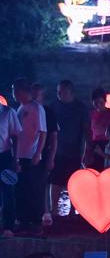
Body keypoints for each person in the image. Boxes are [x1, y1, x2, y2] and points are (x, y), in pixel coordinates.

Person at [49, 80, 89, 219]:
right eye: (58, 91)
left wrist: (88, 149)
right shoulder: (54, 106)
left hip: (75, 151)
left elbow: (86, 130)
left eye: (63, 91)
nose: (59, 94)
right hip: (57, 150)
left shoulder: (80, 107)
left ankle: (73, 210)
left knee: (74, 182)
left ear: (71, 92)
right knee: (55, 181)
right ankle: (54, 210)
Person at [13, 78, 46, 234]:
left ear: (20, 91)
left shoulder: (36, 108)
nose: (13, 93)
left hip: (31, 154)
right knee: (21, 189)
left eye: (14, 90)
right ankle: (23, 220)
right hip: (20, 154)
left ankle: (36, 222)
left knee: (33, 189)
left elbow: (43, 132)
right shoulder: (20, 108)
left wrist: (38, 153)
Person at [32, 83, 58, 226]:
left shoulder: (48, 112)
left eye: (37, 94)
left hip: (44, 151)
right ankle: (32, 212)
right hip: (28, 152)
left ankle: (46, 211)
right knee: (30, 182)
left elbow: (53, 136)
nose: (34, 97)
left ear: (42, 96)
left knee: (44, 182)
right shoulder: (25, 109)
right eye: (33, 94)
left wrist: (51, 157)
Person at [0, 99, 22, 237]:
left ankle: (9, 225)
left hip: (4, 156)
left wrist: (16, 159)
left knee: (7, 191)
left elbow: (16, 137)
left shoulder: (8, 112)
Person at [89, 88, 110, 170]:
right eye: (96, 102)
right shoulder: (91, 114)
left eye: (101, 102)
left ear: (105, 101)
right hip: (95, 145)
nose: (98, 105)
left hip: (109, 145)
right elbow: (89, 133)